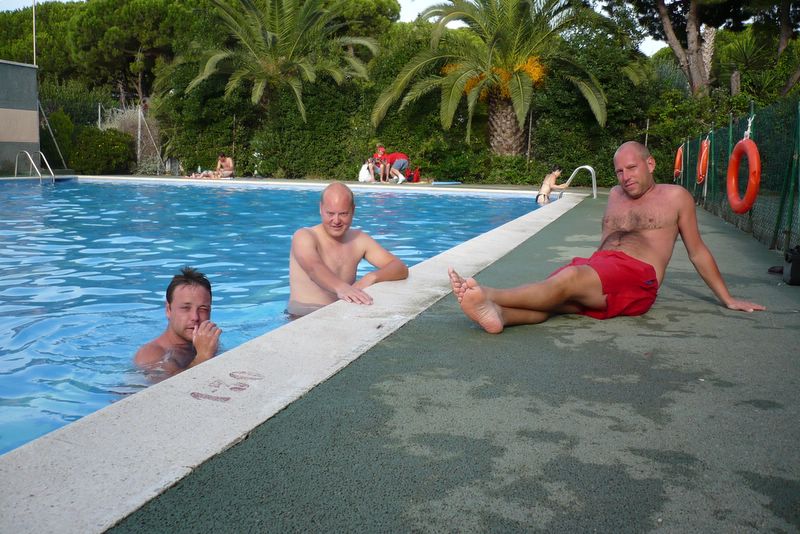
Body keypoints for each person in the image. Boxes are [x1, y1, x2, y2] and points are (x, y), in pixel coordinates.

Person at [449, 141, 765, 334]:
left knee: (567, 281)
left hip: (638, 275)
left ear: (650, 164)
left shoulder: (675, 197)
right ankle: (501, 316)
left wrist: (727, 298)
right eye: (619, 171)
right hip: (600, 267)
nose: (626, 177)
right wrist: (593, 265)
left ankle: (490, 295)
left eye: (632, 168)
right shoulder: (615, 194)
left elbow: (697, 251)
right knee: (558, 300)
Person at [288, 182, 409, 316]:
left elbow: (400, 267)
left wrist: (371, 277)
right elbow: (313, 268)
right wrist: (341, 288)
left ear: (353, 210)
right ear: (321, 208)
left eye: (343, 214)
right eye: (330, 213)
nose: (336, 220)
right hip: (302, 317)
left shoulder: (359, 240)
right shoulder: (304, 236)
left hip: (342, 315)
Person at [134, 267, 222, 379]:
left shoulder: (204, 342)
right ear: (168, 310)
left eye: (203, 309)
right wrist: (202, 357)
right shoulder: (151, 355)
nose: (195, 317)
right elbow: (169, 387)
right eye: (185, 308)